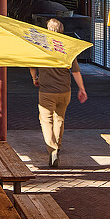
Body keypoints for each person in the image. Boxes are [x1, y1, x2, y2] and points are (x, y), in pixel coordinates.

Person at [29, 18, 88, 168]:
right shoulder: (67, 47)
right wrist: (81, 88)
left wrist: (35, 78)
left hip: (46, 91)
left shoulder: (41, 46)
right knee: (59, 118)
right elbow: (75, 71)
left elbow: (31, 66)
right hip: (64, 91)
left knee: (46, 121)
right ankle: (58, 146)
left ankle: (52, 150)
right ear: (62, 30)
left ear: (47, 29)